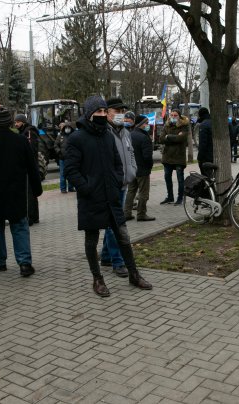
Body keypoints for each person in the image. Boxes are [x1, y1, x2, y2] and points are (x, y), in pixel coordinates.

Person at [64, 96, 152, 297]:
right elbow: (71, 170)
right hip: (91, 199)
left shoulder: (107, 136)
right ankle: (98, 279)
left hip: (111, 196)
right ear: (89, 114)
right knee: (91, 240)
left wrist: (117, 180)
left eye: (105, 111)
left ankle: (134, 274)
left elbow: (117, 163)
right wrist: (86, 188)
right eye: (99, 112)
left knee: (123, 236)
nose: (103, 115)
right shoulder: (77, 138)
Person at [0, 108, 42, 277]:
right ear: (11, 122)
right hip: (16, 192)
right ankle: (24, 263)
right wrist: (36, 188)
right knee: (20, 227)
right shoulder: (20, 141)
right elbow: (32, 167)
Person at [99, 98, 137, 277]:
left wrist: (132, 171)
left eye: (122, 111)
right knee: (116, 224)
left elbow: (131, 155)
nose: (120, 114)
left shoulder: (126, 132)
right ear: (107, 112)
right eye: (116, 110)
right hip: (110, 186)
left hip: (123, 184)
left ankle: (106, 256)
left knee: (111, 222)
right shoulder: (103, 133)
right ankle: (118, 261)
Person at [124, 115, 155, 222]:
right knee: (143, 193)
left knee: (131, 191)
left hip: (132, 169)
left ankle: (126, 213)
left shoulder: (129, 135)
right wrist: (150, 166)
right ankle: (141, 214)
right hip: (142, 170)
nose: (148, 125)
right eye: (146, 123)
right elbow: (147, 157)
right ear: (141, 124)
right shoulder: (144, 137)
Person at [14, 114, 42, 226]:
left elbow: (30, 149)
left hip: (29, 166)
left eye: (17, 122)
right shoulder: (24, 132)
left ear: (23, 122)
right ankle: (34, 216)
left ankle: (30, 217)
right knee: (32, 192)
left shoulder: (29, 132)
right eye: (15, 122)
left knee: (29, 193)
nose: (15, 124)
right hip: (30, 165)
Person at [159, 109, 189, 205]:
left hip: (179, 156)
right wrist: (173, 137)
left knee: (180, 179)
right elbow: (161, 139)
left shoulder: (184, 126)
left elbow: (181, 138)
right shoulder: (166, 125)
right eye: (171, 115)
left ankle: (180, 198)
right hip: (167, 156)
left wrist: (168, 136)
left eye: (175, 115)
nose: (173, 116)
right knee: (167, 177)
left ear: (179, 116)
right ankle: (170, 197)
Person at [55, 121, 75, 193]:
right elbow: (56, 145)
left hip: (71, 158)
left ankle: (71, 188)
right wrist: (59, 152)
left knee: (71, 173)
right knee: (63, 174)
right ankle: (63, 189)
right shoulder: (60, 136)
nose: (67, 129)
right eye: (66, 127)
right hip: (62, 158)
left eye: (68, 128)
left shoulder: (73, 136)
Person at [196, 108, 214, 177]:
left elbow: (203, 144)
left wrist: (200, 158)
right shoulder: (213, 122)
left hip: (206, 157)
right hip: (214, 155)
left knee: (206, 177)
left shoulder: (203, 125)